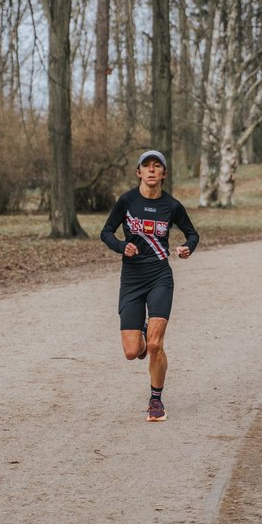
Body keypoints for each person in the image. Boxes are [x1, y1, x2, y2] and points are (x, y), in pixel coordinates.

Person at [100, 150, 199, 422]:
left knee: (155, 345)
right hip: (131, 279)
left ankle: (156, 400)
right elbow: (106, 232)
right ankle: (142, 333)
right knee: (133, 352)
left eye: (157, 166)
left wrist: (188, 247)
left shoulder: (173, 206)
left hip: (159, 277)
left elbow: (192, 233)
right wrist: (122, 246)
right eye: (147, 166)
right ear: (139, 172)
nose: (152, 170)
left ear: (164, 174)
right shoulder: (127, 201)